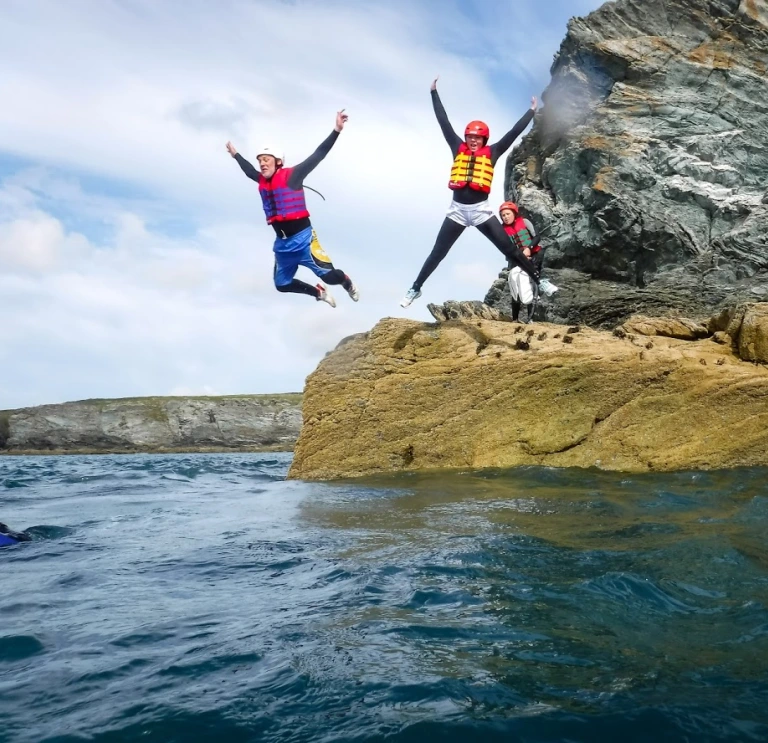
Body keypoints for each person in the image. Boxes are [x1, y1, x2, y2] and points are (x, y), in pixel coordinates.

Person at [400, 78, 540, 308]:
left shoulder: (493, 152)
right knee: (438, 253)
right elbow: (443, 122)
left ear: (484, 139)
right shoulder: (458, 148)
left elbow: (513, 132)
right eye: (470, 137)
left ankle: (539, 281)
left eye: (477, 138)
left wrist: (531, 111)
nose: (473, 141)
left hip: (480, 211)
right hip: (457, 211)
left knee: (511, 250)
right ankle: (415, 288)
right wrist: (434, 93)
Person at [226, 110, 359, 308]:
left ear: (278, 162)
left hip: (304, 241)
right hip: (283, 246)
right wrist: (236, 155)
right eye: (260, 160)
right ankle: (318, 292)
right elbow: (248, 171)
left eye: (266, 159)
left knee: (331, 277)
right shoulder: (262, 180)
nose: (262, 163)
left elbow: (319, 154)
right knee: (282, 284)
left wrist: (336, 130)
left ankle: (346, 281)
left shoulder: (293, 176)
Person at [499, 201, 543, 323]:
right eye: (503, 215)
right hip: (516, 260)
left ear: (514, 213)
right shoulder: (502, 230)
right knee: (515, 284)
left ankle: (530, 318)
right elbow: (504, 247)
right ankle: (515, 319)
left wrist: (529, 248)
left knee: (530, 285)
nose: (506, 217)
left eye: (508, 214)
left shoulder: (524, 222)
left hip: (533, 255)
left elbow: (537, 237)